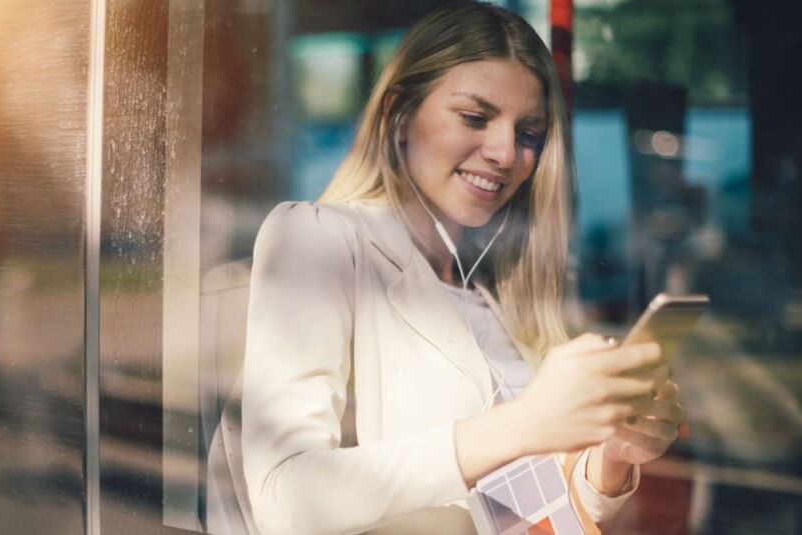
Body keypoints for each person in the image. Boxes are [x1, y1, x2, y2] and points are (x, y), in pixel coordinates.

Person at [239, 2, 685, 533]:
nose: (505, 152)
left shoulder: (493, 287)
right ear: (398, 115)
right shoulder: (319, 238)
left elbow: (514, 517)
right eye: (475, 118)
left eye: (529, 133)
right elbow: (283, 498)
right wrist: (524, 423)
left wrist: (609, 460)